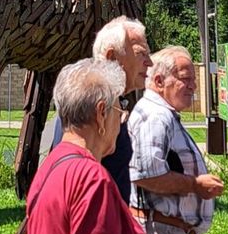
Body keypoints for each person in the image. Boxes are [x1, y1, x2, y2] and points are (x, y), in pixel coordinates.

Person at [23, 58, 151, 234]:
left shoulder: (53, 163)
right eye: (119, 106)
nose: (122, 117)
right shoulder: (91, 179)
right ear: (101, 113)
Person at [128, 46, 224, 234]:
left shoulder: (162, 114)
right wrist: (195, 184)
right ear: (159, 81)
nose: (193, 85)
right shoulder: (156, 116)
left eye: (193, 79)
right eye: (185, 79)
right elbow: (145, 174)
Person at [52, 16, 153, 198]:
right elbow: (79, 182)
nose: (149, 62)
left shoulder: (109, 103)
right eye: (141, 54)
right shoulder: (90, 105)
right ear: (112, 57)